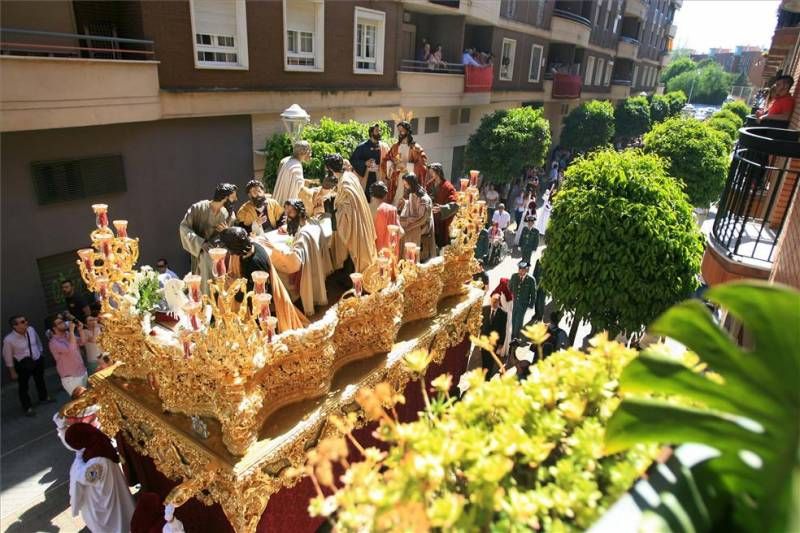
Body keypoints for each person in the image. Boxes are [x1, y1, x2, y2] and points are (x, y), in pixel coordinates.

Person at [220, 226, 309, 331]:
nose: (228, 252)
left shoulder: (256, 264)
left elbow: (256, 298)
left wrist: (234, 286)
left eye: (228, 248)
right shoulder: (251, 247)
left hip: (261, 310)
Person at [261, 200, 332, 318]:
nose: (287, 215)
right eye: (286, 211)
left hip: (304, 270)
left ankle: (288, 303)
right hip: (314, 263)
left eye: (291, 212)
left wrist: (274, 250)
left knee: (276, 271)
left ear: (300, 212)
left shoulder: (303, 235)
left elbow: (294, 262)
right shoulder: (312, 222)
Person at [65, 423, 135, 533]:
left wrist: (78, 460)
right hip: (111, 487)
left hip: (105, 500)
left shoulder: (97, 460)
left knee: (116, 523)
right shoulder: (98, 442)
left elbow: (87, 477)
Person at [179, 183, 237, 294]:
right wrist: (201, 243)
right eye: (233, 197)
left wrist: (226, 232)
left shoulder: (228, 214)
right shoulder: (198, 208)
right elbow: (184, 228)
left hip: (221, 250)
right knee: (207, 260)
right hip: (202, 252)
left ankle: (223, 301)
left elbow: (230, 233)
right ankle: (208, 301)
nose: (236, 200)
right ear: (225, 197)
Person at [326, 154, 378, 275]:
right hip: (360, 218)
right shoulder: (349, 175)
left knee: (353, 252)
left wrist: (336, 208)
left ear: (330, 168)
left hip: (354, 223)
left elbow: (348, 207)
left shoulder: (345, 183)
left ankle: (356, 281)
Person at [3, 315, 53, 416]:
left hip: (37, 360)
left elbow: (38, 342)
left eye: (26, 320)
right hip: (23, 364)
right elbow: (7, 356)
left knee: (40, 380)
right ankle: (27, 407)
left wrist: (40, 352)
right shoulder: (9, 340)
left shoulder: (31, 330)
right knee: (23, 386)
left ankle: (43, 397)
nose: (26, 322)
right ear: (14, 326)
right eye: (22, 322)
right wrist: (12, 371)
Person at [381, 121, 428, 205]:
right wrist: (391, 165)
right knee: (396, 201)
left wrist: (407, 166)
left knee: (408, 203)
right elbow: (386, 160)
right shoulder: (395, 147)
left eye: (402, 130)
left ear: (407, 131)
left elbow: (422, 165)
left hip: (409, 180)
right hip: (397, 179)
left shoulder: (415, 148)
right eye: (399, 131)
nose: (400, 133)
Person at [399, 173, 436, 262]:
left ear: (412, 183)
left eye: (406, 184)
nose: (405, 186)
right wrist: (405, 203)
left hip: (421, 227)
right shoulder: (413, 193)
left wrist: (408, 226)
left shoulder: (424, 199)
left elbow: (422, 219)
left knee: (405, 234)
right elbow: (412, 207)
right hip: (413, 224)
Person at [48, 315, 88, 396]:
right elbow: (71, 350)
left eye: (63, 321)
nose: (64, 323)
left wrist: (80, 330)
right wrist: (72, 331)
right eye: (60, 323)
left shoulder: (67, 334)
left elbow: (83, 342)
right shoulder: (53, 342)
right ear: (54, 328)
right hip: (71, 378)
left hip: (82, 371)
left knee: (88, 399)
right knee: (80, 402)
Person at [350, 123, 389, 200]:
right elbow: (353, 160)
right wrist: (364, 163)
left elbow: (389, 160)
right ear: (371, 133)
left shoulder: (384, 146)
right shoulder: (362, 147)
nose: (379, 133)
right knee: (366, 198)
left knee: (379, 198)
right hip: (366, 177)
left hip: (380, 175)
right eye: (377, 131)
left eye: (380, 131)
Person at [426, 163, 459, 249]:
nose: (431, 174)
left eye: (432, 172)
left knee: (441, 246)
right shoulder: (429, 185)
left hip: (441, 223)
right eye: (430, 172)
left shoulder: (448, 187)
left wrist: (442, 208)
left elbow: (455, 204)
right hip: (430, 220)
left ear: (438, 172)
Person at [273, 140, 314, 207]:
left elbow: (282, 178)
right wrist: (313, 192)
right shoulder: (297, 167)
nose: (310, 154)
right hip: (289, 205)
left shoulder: (285, 160)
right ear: (303, 153)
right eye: (309, 151)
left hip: (278, 200)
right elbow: (300, 191)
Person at [371, 181, 404, 256]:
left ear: (371, 195)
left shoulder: (367, 210)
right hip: (390, 253)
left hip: (374, 253)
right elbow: (401, 233)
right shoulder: (392, 210)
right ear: (385, 194)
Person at [480, 293, 507, 378]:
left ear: (499, 302)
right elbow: (481, 325)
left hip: (494, 342)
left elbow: (503, 330)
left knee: (491, 359)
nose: (493, 303)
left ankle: (488, 377)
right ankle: (483, 373)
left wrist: (501, 344)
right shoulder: (484, 309)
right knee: (484, 357)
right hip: (484, 339)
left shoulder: (503, 314)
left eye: (495, 301)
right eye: (492, 300)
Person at [509, 261, 536, 342]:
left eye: (523, 270)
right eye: (519, 269)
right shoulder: (514, 276)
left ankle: (515, 336)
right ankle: (513, 334)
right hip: (515, 302)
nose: (520, 271)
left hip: (523, 303)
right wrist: (513, 294)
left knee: (519, 320)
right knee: (514, 318)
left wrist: (531, 304)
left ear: (526, 270)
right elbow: (510, 286)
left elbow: (533, 294)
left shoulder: (531, 280)